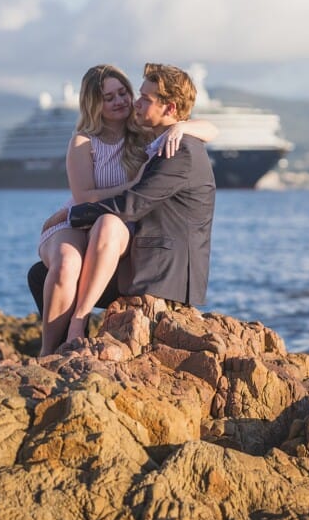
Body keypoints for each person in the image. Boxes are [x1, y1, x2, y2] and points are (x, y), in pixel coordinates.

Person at [30, 65, 216, 354]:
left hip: (111, 220)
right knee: (67, 264)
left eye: (123, 93)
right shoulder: (83, 141)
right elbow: (85, 198)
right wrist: (134, 183)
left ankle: (77, 324)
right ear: (95, 104)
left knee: (108, 226)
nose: (122, 101)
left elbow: (211, 128)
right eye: (108, 97)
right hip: (81, 216)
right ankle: (48, 351)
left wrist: (183, 126)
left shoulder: (146, 130)